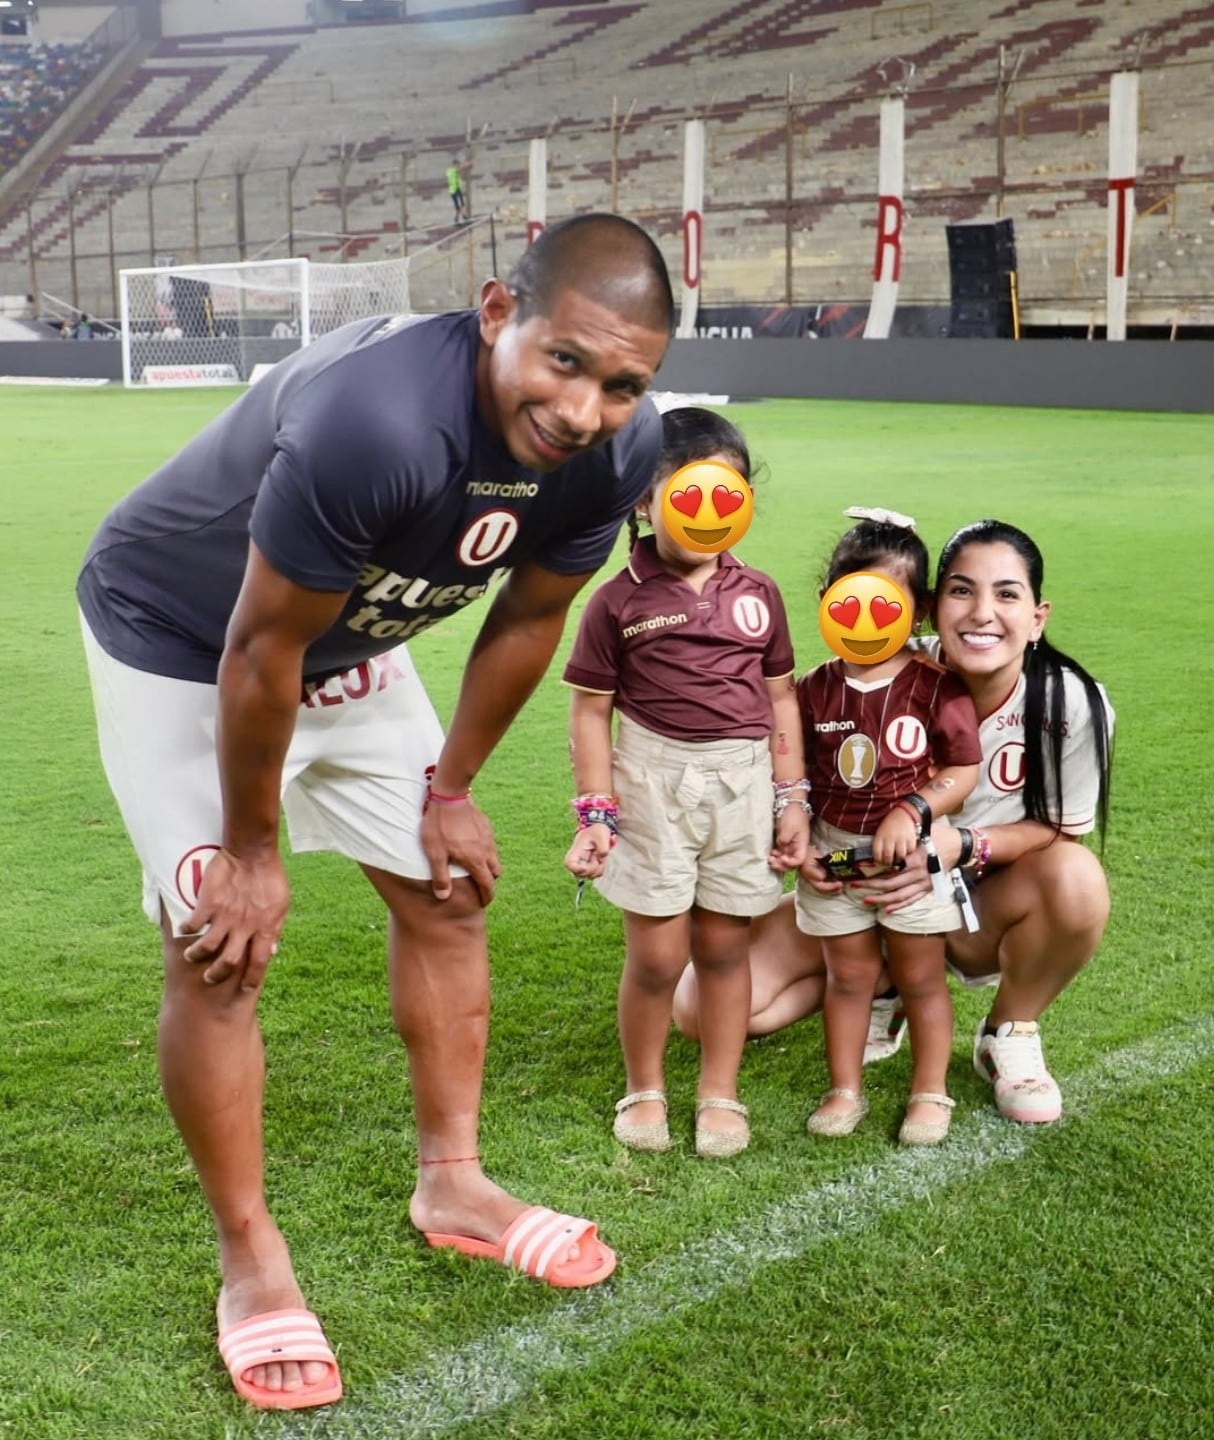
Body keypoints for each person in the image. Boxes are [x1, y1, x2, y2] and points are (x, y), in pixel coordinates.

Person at [76, 213, 674, 1412]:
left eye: (621, 384)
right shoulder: (380, 418)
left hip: (341, 642)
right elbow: (258, 650)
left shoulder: (620, 452)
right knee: (219, 942)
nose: (583, 410)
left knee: (446, 892)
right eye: (564, 361)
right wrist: (251, 853)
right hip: (183, 642)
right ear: (497, 312)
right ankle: (250, 1255)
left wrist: (449, 791)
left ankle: (453, 1181)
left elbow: (527, 619)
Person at [674, 518, 1113, 1129]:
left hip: (974, 905)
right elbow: (797, 766)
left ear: (1037, 617)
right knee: (699, 1009)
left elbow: (1059, 828)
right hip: (861, 883)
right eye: (962, 590)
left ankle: (1008, 1030)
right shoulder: (878, 661)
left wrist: (961, 845)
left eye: (1007, 594)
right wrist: (805, 842)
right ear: (930, 607)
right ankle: (880, 984)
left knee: (1077, 879)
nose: (982, 613)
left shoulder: (1071, 702)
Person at [562, 408, 809, 1160]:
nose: (709, 510)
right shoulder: (616, 600)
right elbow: (590, 711)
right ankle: (644, 1088)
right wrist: (597, 812)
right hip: (651, 786)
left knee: (725, 950)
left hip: (743, 788)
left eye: (728, 492)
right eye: (688, 491)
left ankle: (718, 1092)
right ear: (645, 499)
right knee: (658, 959)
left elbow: (781, 699)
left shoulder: (760, 593)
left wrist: (791, 798)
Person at [796, 512, 981, 1146]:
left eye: (884, 604)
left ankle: (930, 1090)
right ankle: (844, 1089)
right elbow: (795, 775)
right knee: (848, 978)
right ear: (827, 600)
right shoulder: (813, 689)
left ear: (918, 611)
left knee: (920, 978)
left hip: (913, 856)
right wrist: (803, 842)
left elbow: (962, 769)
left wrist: (914, 809)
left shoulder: (937, 687)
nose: (865, 620)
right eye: (849, 602)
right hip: (836, 853)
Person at [446, 158, 467, 222]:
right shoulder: (450, 171)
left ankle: (460, 216)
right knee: (458, 204)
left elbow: (460, 169)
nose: (458, 166)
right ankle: (463, 215)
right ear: (454, 165)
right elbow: (460, 169)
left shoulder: (452, 171)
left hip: (456, 188)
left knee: (461, 202)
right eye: (457, 165)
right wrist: (468, 163)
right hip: (453, 190)